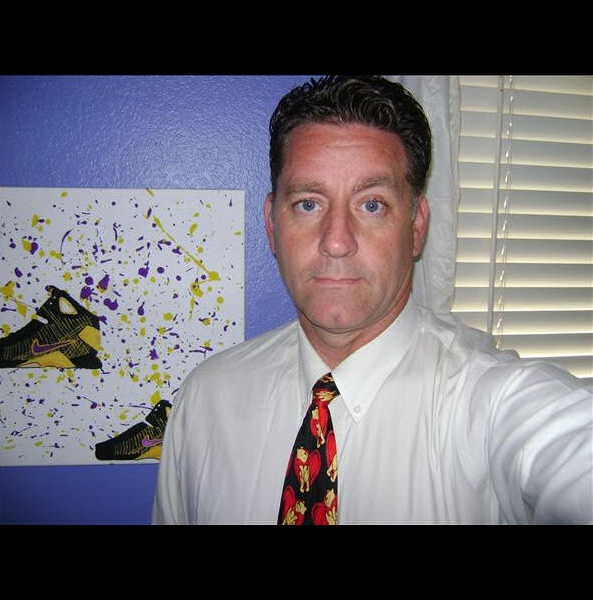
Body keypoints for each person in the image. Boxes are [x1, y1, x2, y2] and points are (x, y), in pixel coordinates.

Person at [152, 75, 592, 525]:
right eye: (308, 203)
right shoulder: (205, 400)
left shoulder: (490, 403)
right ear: (271, 224)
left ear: (416, 227)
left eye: (372, 204)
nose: (336, 242)